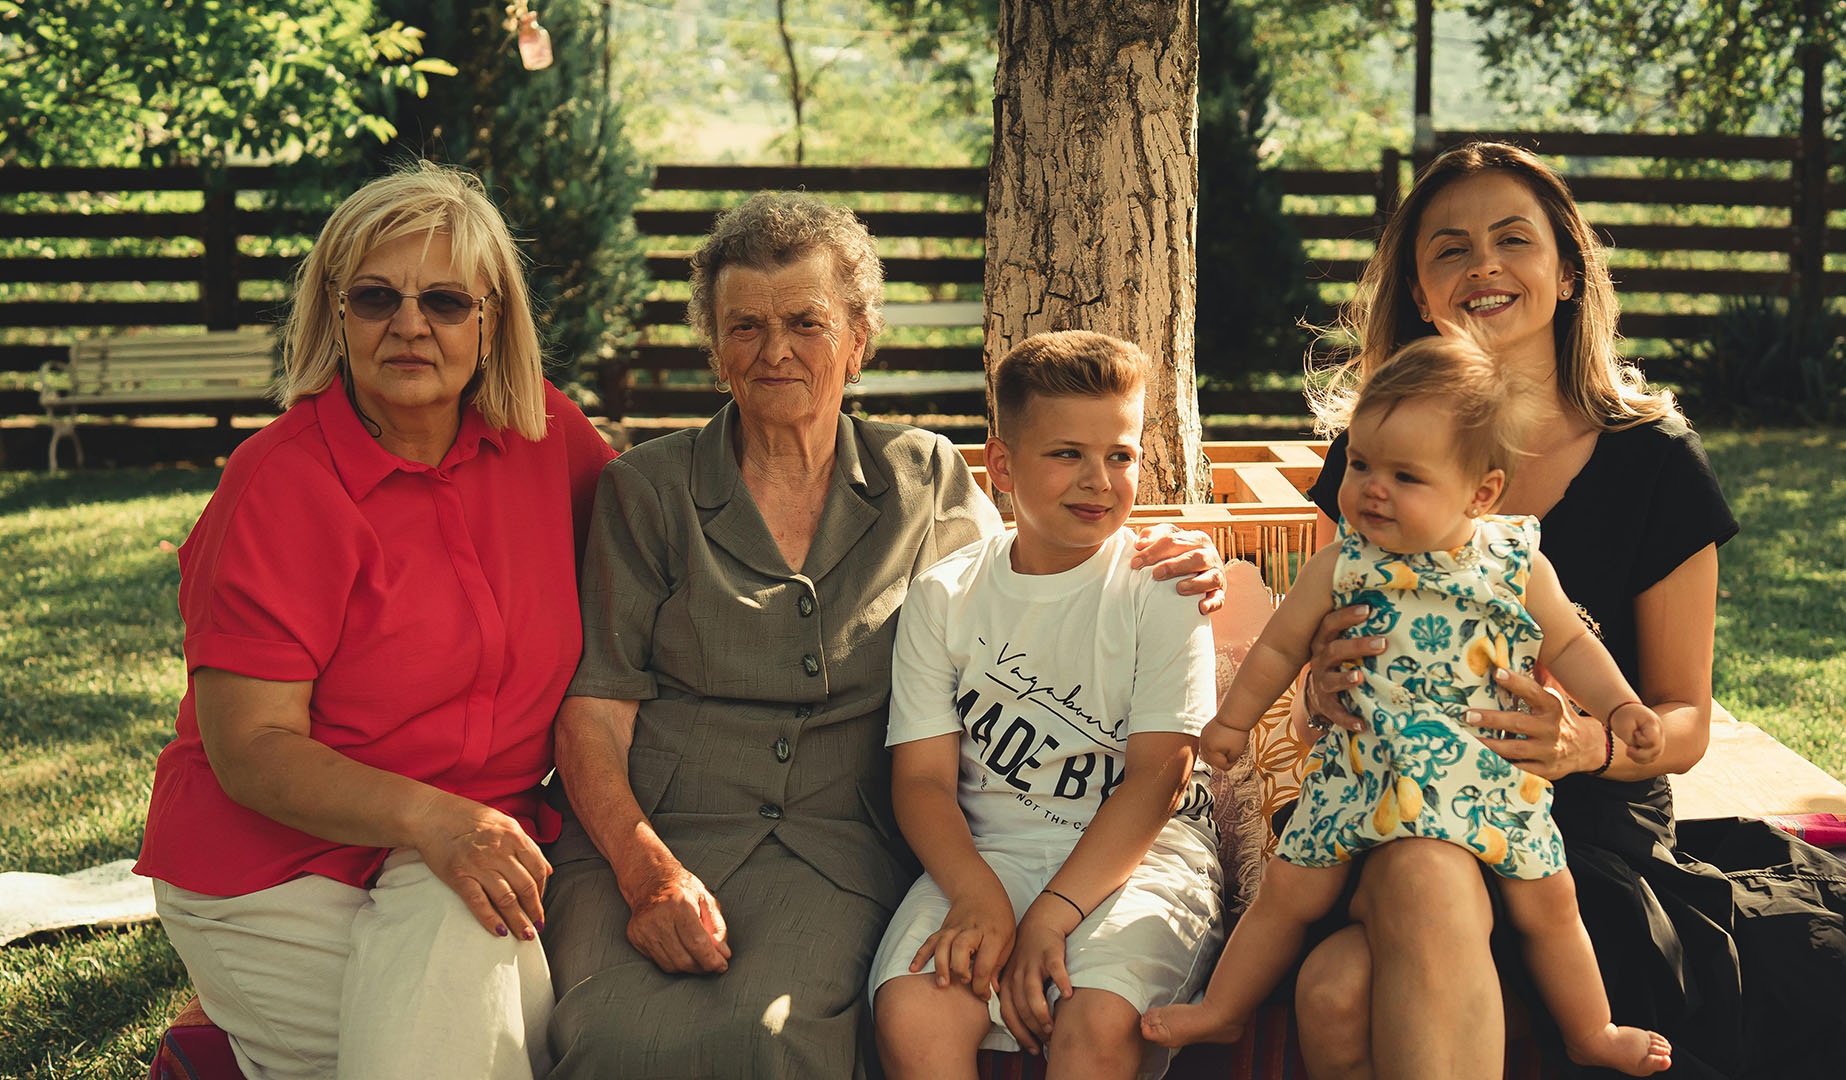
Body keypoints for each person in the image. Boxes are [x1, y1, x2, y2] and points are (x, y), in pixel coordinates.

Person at [539, 193, 1224, 1079]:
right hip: (659, 835)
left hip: (833, 842)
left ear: (858, 339)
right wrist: (645, 874)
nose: (774, 350)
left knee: (774, 1037)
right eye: (743, 325)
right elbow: (594, 716)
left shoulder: (922, 477)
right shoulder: (648, 492)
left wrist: (1165, 547)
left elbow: (1038, 572)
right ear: (713, 344)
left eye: (806, 322)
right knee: (606, 1037)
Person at [1282, 142, 1846, 1080]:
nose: (1484, 266)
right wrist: (1320, 689)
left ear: (1569, 270)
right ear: (1419, 292)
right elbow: (1324, 655)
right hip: (1396, 791)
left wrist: (1591, 744)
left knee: (1343, 984)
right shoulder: (1377, 451)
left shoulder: (1654, 459)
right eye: (1450, 249)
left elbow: (1684, 716)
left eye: (1513, 239)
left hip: (1582, 816)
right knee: (1371, 934)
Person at [134, 161, 617, 1080]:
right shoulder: (277, 484)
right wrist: (438, 823)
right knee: (508, 1038)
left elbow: (663, 552)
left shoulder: (548, 443)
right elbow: (252, 748)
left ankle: (213, 1058)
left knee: (483, 992)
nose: (408, 324)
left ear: (491, 321)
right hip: (274, 868)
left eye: (442, 300)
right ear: (335, 314)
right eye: (375, 297)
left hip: (465, 846)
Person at [1140, 335, 1671, 1075]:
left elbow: (1573, 648)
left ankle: (1592, 1030)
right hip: (1364, 774)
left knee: (1551, 907)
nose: (1371, 489)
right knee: (1287, 894)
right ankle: (1224, 1009)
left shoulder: (1514, 560)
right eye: (1360, 463)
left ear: (1480, 493)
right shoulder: (1343, 563)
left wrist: (1617, 708)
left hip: (1483, 780)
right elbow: (1276, 648)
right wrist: (1232, 722)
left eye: (1405, 475)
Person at [869, 330, 1225, 1080]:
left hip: (1143, 858)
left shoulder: (1163, 587)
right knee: (913, 1011)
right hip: (989, 855)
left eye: (1120, 455)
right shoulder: (945, 595)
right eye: (1067, 454)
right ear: (1000, 466)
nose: (1099, 480)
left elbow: (1159, 777)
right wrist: (979, 896)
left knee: (1095, 1020)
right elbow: (924, 782)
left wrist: (1052, 917)